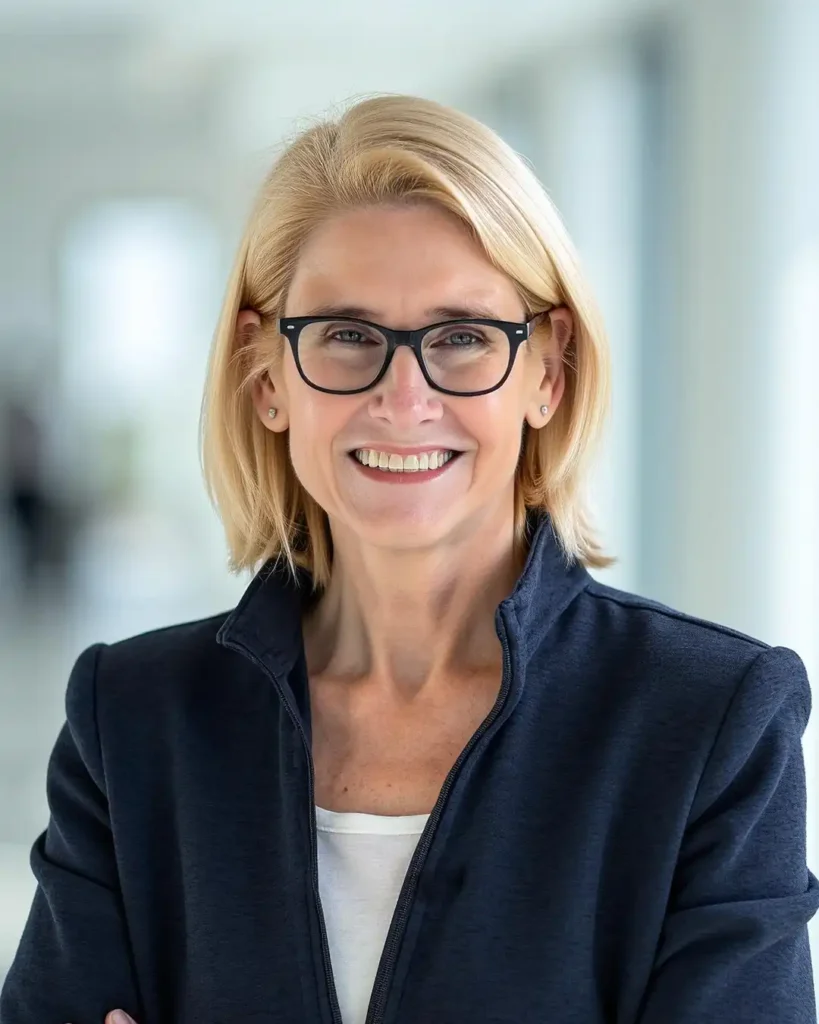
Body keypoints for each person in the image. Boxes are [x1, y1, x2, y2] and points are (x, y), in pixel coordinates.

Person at [1, 94, 818, 1024]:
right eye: (346, 335)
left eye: (462, 337)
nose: (403, 396)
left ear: (546, 373)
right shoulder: (134, 717)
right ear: (264, 377)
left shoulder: (709, 718)